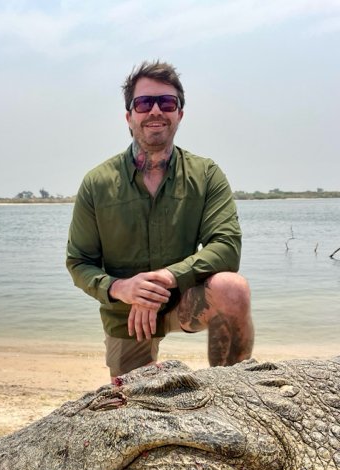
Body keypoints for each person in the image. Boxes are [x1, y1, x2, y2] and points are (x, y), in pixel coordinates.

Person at [66, 60, 254, 380]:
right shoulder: (97, 183)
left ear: (179, 114)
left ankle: (233, 390)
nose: (155, 110)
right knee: (129, 410)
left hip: (184, 302)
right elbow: (79, 262)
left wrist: (167, 278)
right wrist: (121, 288)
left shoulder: (205, 175)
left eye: (167, 102)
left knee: (232, 289)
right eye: (143, 103)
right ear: (129, 116)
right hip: (127, 317)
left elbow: (226, 247)